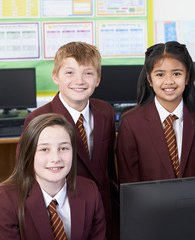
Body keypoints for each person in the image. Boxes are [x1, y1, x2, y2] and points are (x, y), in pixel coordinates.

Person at [18, 42, 118, 239]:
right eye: (69, 73)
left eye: (88, 73)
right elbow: (26, 174)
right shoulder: (38, 118)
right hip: (67, 212)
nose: (79, 80)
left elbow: (108, 168)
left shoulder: (106, 111)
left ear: (98, 79)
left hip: (104, 210)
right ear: (55, 76)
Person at [0, 113, 106, 240]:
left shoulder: (90, 190)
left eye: (64, 148)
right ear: (29, 153)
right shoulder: (5, 199)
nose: (56, 159)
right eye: (44, 149)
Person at [117, 41, 195, 183]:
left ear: (187, 77)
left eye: (176, 73)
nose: (169, 81)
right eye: (160, 75)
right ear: (149, 79)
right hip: (151, 204)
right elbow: (129, 182)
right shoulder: (131, 124)